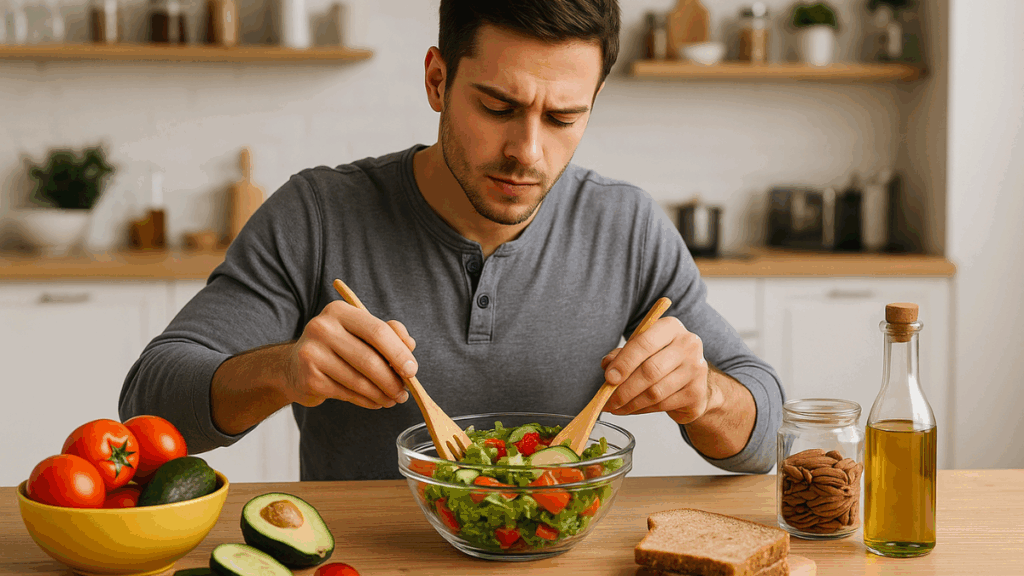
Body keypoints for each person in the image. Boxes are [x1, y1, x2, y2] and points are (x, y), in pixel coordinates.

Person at [119, 0, 784, 481]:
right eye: (497, 107)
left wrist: (703, 396)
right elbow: (148, 399)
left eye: (563, 117)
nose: (527, 151)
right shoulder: (318, 213)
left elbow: (764, 430)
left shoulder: (627, 227)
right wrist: (285, 369)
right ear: (437, 79)